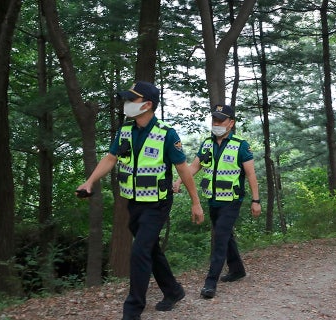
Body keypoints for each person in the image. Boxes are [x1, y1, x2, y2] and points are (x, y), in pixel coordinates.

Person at [76, 81, 204, 319]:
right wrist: (90, 181)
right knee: (149, 249)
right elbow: (111, 158)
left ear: (147, 105)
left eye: (131, 100)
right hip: (133, 202)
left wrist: (195, 202)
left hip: (158, 203)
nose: (126, 104)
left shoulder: (167, 133)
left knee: (139, 251)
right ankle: (173, 290)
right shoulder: (125, 130)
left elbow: (183, 169)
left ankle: (133, 308)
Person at [172, 103, 261, 299]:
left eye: (221, 120)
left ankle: (210, 282)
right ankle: (237, 270)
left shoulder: (241, 145)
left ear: (231, 123)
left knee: (219, 238)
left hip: (232, 200)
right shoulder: (206, 144)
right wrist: (178, 180)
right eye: (214, 120)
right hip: (212, 199)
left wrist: (256, 200)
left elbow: (251, 174)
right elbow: (194, 167)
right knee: (225, 235)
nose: (217, 123)